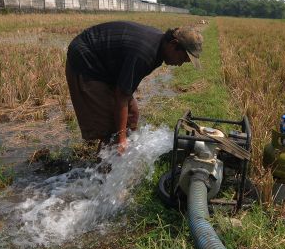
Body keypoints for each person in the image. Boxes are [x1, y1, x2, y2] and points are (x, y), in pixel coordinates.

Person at [65, 21, 203, 154]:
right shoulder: (145, 53)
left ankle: (121, 158)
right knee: (111, 128)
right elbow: (122, 96)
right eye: (183, 59)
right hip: (86, 60)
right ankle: (103, 174)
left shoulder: (158, 46)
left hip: (106, 64)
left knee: (131, 116)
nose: (180, 64)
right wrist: (121, 138)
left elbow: (124, 89)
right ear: (173, 45)